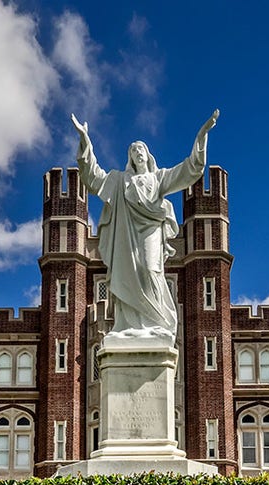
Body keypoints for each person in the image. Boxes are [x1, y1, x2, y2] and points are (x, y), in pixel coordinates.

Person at [72, 109, 219, 339]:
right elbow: (93, 177)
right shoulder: (119, 181)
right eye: (133, 150)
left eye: (140, 149)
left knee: (151, 270)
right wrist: (85, 141)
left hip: (150, 231)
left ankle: (158, 321)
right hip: (126, 236)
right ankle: (127, 326)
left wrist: (201, 137)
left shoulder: (158, 178)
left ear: (147, 154)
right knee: (126, 275)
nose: (137, 152)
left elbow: (189, 170)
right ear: (130, 157)